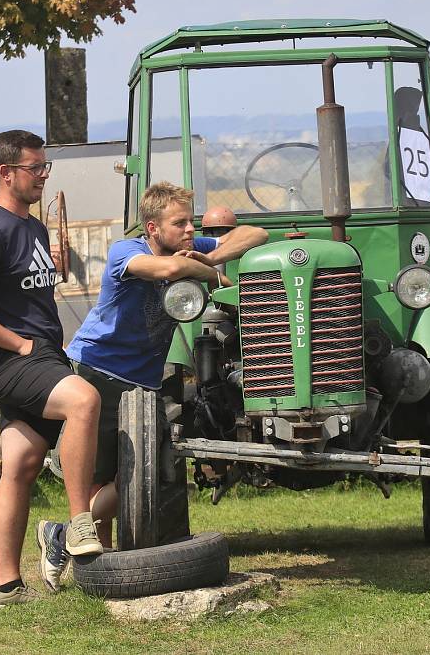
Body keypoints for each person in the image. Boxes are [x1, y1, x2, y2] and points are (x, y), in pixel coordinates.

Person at [46, 184, 267, 563]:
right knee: (101, 477)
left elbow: (256, 234)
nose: (188, 230)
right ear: (152, 228)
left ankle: (60, 535)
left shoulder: (187, 245)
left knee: (138, 473)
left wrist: (210, 257)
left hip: (143, 381)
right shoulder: (126, 252)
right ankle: (92, 556)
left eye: (190, 222)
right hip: (98, 370)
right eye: (179, 223)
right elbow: (169, 268)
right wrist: (213, 274)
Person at [0, 129, 103, 612]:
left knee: (19, 465)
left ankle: (6, 588)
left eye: (45, 167)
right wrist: (18, 344)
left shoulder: (31, 227)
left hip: (41, 356)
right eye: (35, 168)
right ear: (6, 173)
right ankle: (80, 523)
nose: (43, 175)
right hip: (10, 360)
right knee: (84, 400)